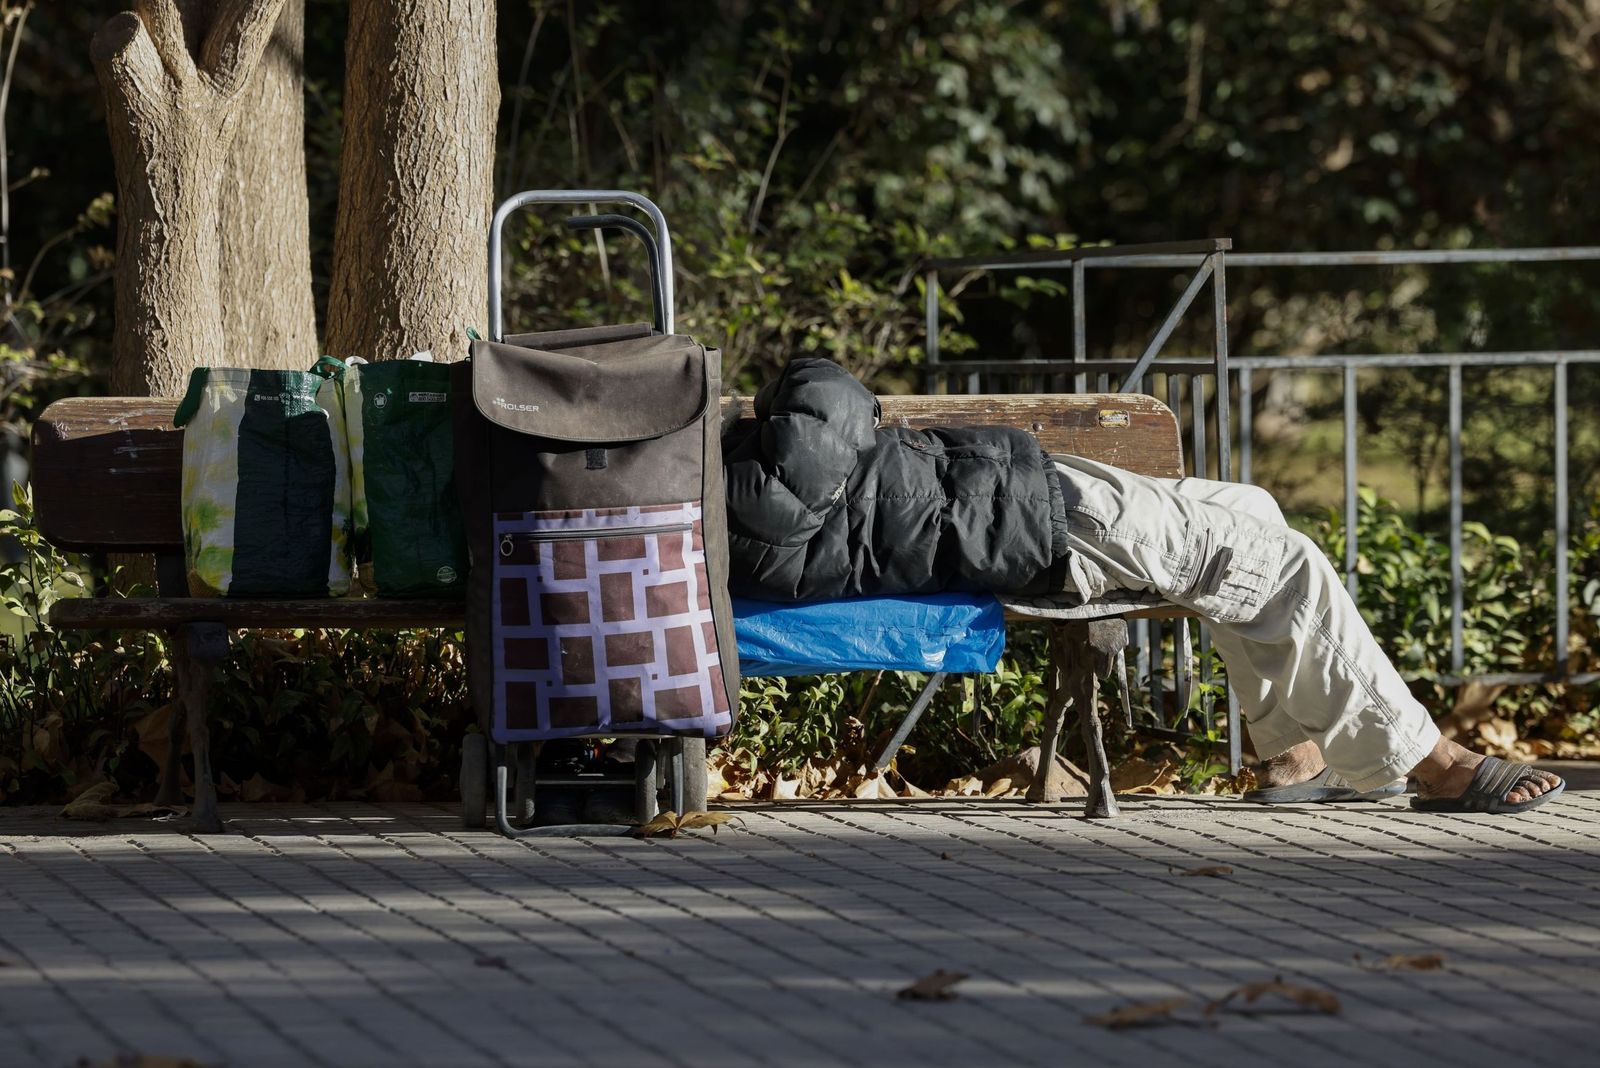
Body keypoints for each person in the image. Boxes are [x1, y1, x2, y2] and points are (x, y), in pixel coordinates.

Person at [722, 357, 1564, 815]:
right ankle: (1430, 762)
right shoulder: (750, 498)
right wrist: (783, 394)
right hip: (1047, 526)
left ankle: (1289, 757)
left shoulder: (736, 491)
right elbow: (828, 393)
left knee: (1253, 509)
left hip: (1026, 501)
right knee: (1286, 565)